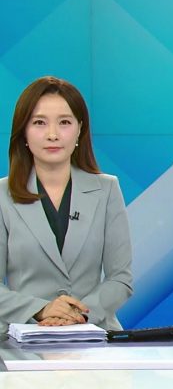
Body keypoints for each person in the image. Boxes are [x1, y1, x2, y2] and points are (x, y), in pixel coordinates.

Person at [0, 76, 133, 332]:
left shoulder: (106, 189)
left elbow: (120, 278)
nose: (52, 135)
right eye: (39, 122)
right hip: (23, 336)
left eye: (64, 122)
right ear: (24, 131)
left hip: (93, 334)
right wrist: (41, 310)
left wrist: (77, 315)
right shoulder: (2, 195)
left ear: (79, 129)